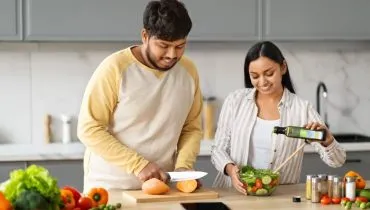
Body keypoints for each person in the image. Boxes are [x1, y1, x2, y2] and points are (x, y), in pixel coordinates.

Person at [77, 0, 203, 192]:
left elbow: (191, 128)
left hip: (161, 189)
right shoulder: (115, 68)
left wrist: (183, 167)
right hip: (110, 189)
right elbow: (89, 129)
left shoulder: (189, 71)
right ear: (145, 36)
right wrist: (138, 164)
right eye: (163, 45)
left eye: (180, 46)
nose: (171, 55)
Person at [210, 41, 346, 194]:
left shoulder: (301, 109)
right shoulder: (235, 101)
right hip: (234, 194)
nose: (262, 82)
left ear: (283, 67)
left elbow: (338, 161)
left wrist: (328, 141)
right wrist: (230, 168)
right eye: (254, 76)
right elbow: (218, 149)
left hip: (278, 198)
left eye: (269, 74)